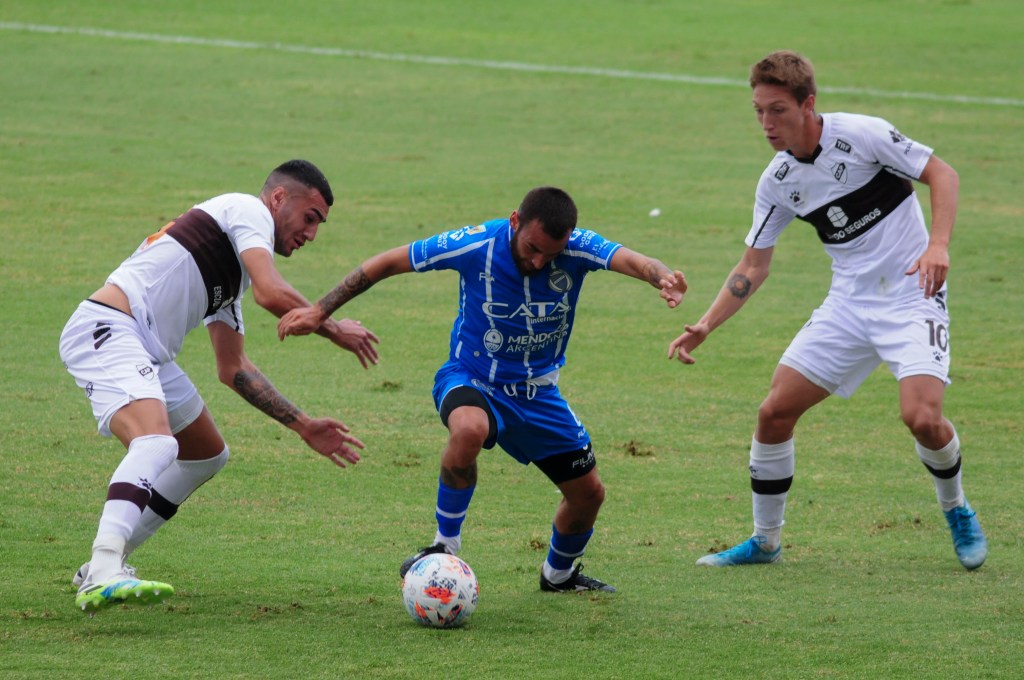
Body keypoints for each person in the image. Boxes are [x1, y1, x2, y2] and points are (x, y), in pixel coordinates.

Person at [278, 186, 687, 592]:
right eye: (532, 247)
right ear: (515, 221)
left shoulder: (577, 248)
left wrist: (661, 277)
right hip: (471, 378)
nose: (540, 260)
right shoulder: (475, 244)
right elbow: (386, 263)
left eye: (551, 254)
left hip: (538, 393)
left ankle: (558, 576)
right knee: (469, 429)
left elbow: (635, 260)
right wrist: (320, 310)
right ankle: (443, 547)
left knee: (589, 496)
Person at [668, 51, 987, 570]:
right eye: (758, 112)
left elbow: (942, 174)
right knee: (773, 413)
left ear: (807, 104)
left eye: (777, 110)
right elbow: (754, 265)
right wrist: (706, 323)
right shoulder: (778, 181)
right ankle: (765, 542)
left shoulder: (863, 135)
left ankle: (957, 509)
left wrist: (939, 244)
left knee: (923, 418)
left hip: (912, 296)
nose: (767, 125)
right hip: (848, 306)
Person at [59, 159, 381, 613]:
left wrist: (304, 425)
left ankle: (105, 564)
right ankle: (105, 566)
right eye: (310, 219)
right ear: (278, 199)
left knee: (205, 453)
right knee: (156, 443)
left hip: (144, 348)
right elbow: (273, 293)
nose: (311, 234)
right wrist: (331, 324)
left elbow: (234, 368)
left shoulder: (234, 272)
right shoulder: (245, 210)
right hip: (109, 329)